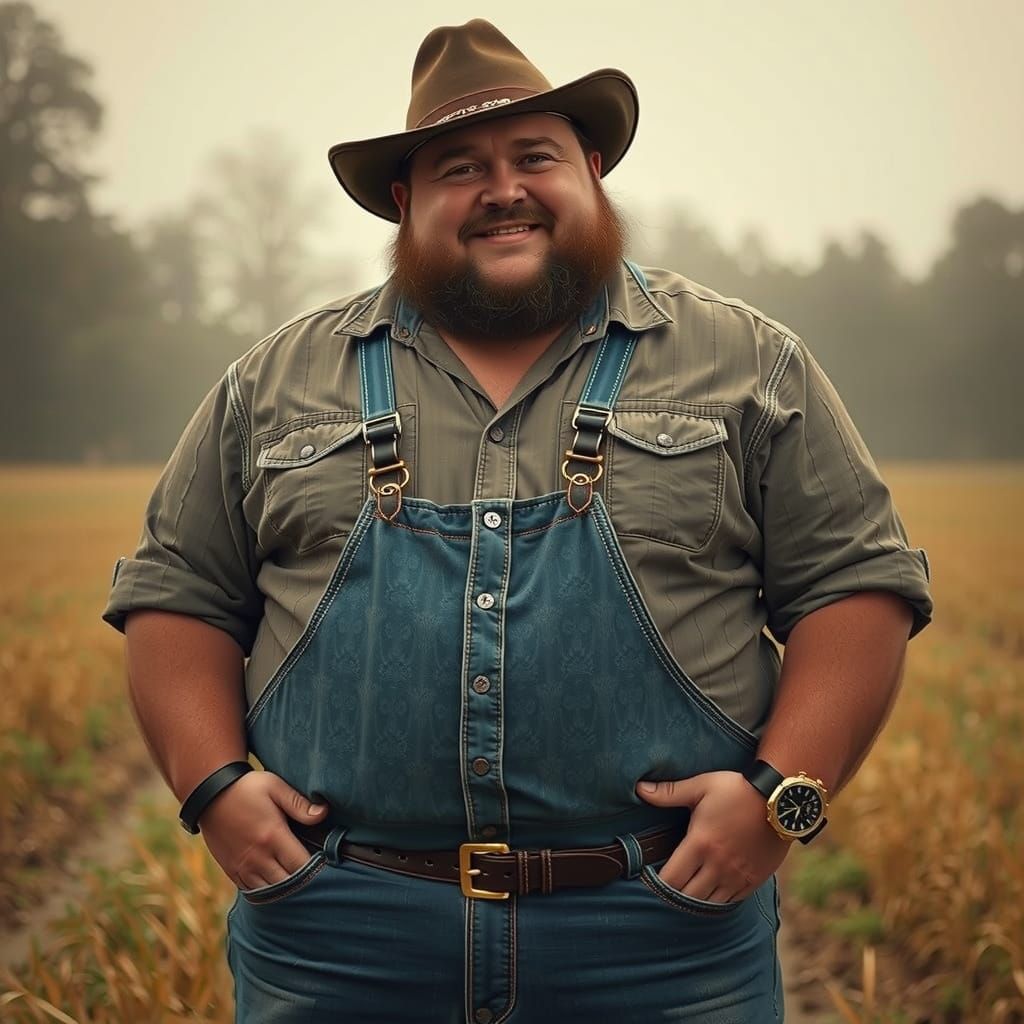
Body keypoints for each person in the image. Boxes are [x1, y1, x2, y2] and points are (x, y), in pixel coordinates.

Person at [104, 19, 932, 1024]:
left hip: (661, 934)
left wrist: (776, 796)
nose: (502, 188)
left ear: (591, 171)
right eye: (460, 167)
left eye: (533, 156)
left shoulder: (748, 365)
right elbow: (178, 596)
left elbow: (855, 588)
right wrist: (211, 788)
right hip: (341, 934)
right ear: (406, 203)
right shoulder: (271, 385)